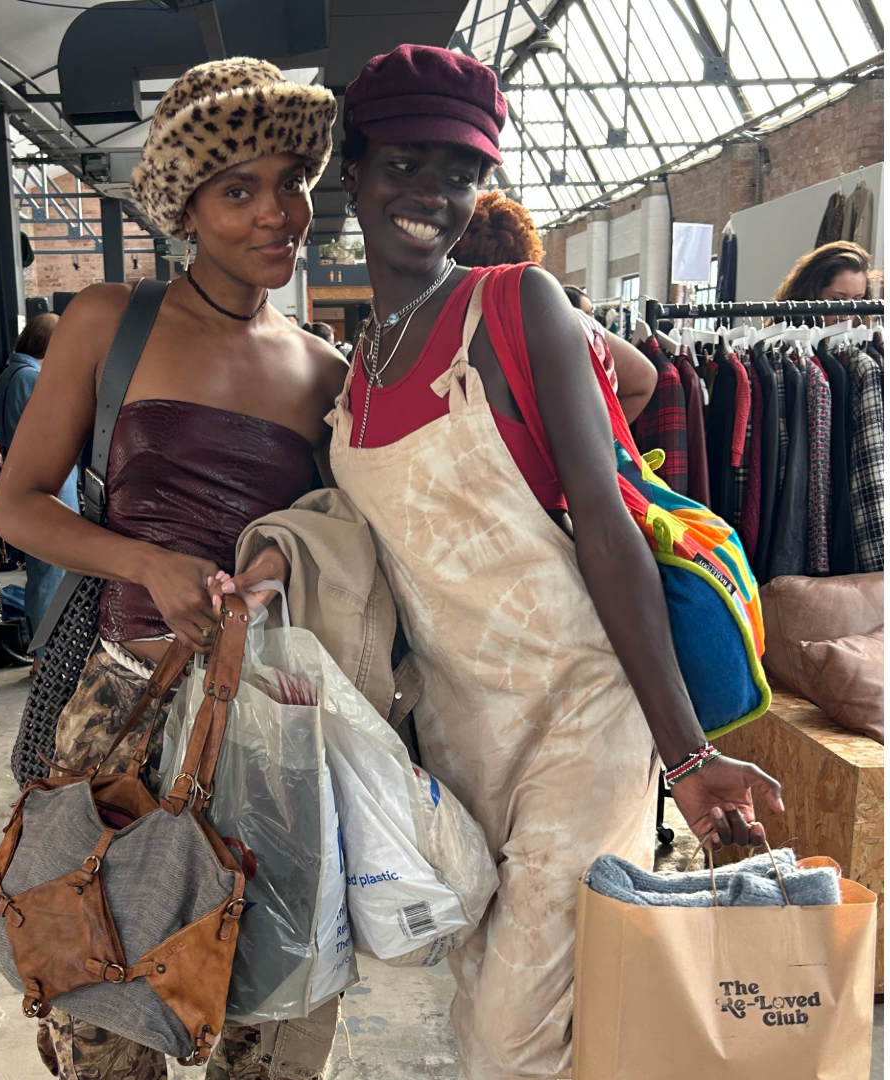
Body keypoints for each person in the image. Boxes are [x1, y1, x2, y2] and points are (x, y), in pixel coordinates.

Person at [216, 45, 784, 1080]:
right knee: (510, 998)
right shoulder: (358, 362)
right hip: (459, 732)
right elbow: (370, 533)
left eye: (459, 171)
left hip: (584, 717)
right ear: (354, 172)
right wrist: (275, 563)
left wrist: (687, 754)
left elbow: (608, 528)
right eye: (403, 164)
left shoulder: (517, 306)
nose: (431, 192)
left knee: (505, 1034)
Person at [0, 57, 345, 1080]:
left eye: (293, 182)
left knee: (270, 1008)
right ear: (184, 205)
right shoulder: (110, 321)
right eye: (239, 189)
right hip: (114, 704)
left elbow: (339, 532)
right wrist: (147, 556)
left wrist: (283, 555)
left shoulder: (327, 370)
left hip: (264, 716)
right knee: (98, 992)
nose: (277, 212)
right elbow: (18, 506)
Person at [455, 192, 656, 421]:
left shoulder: (456, 327)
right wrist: (603, 440)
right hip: (574, 451)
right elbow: (644, 380)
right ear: (527, 254)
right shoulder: (573, 322)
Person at [0, 313, 75, 661]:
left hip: (30, 480)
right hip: (48, 483)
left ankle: (43, 653)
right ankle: (47, 655)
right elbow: (52, 432)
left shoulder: (10, 374)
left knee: (45, 572)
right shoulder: (30, 378)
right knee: (51, 573)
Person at [775, 239, 874, 322]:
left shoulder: (870, 342)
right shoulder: (780, 342)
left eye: (856, 300)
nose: (847, 314)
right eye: (837, 299)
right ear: (810, 295)